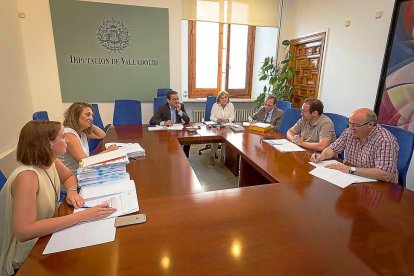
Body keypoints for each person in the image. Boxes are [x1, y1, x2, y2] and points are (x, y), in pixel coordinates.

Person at [0, 121, 116, 275]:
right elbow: (24, 231)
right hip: (26, 255)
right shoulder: (27, 177)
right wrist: (83, 216)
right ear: (48, 145)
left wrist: (72, 192)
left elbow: (69, 177)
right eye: (63, 137)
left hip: (46, 234)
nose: (67, 140)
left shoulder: (50, 161)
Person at [311, 108, 399, 183]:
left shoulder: (385, 140)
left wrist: (350, 169)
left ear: (370, 125)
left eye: (355, 125)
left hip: (379, 185)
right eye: (349, 123)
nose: (350, 128)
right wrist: (322, 156)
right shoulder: (350, 132)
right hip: (352, 178)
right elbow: (333, 148)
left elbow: (385, 175)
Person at [59, 102, 117, 176]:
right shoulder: (69, 135)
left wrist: (88, 122)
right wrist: (108, 151)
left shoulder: (81, 131)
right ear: (76, 116)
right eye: (87, 114)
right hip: (73, 179)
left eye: (92, 115)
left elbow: (102, 135)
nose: (91, 118)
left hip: (83, 173)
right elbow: (84, 162)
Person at [149, 90, 191, 157]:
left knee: (188, 138)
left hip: (177, 131)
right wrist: (164, 122)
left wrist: (179, 111)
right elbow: (152, 120)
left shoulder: (181, 106)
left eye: (177, 99)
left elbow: (188, 120)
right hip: (167, 132)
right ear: (168, 101)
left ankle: (186, 156)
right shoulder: (162, 108)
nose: (177, 101)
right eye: (174, 99)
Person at [209, 90, 235, 166]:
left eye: (226, 97)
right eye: (222, 98)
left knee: (225, 140)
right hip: (217, 125)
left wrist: (227, 120)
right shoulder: (215, 105)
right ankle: (211, 155)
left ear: (228, 98)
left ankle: (223, 157)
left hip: (227, 125)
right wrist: (218, 119)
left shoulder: (231, 105)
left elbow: (232, 117)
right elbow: (212, 117)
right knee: (216, 139)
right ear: (219, 99)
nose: (224, 99)